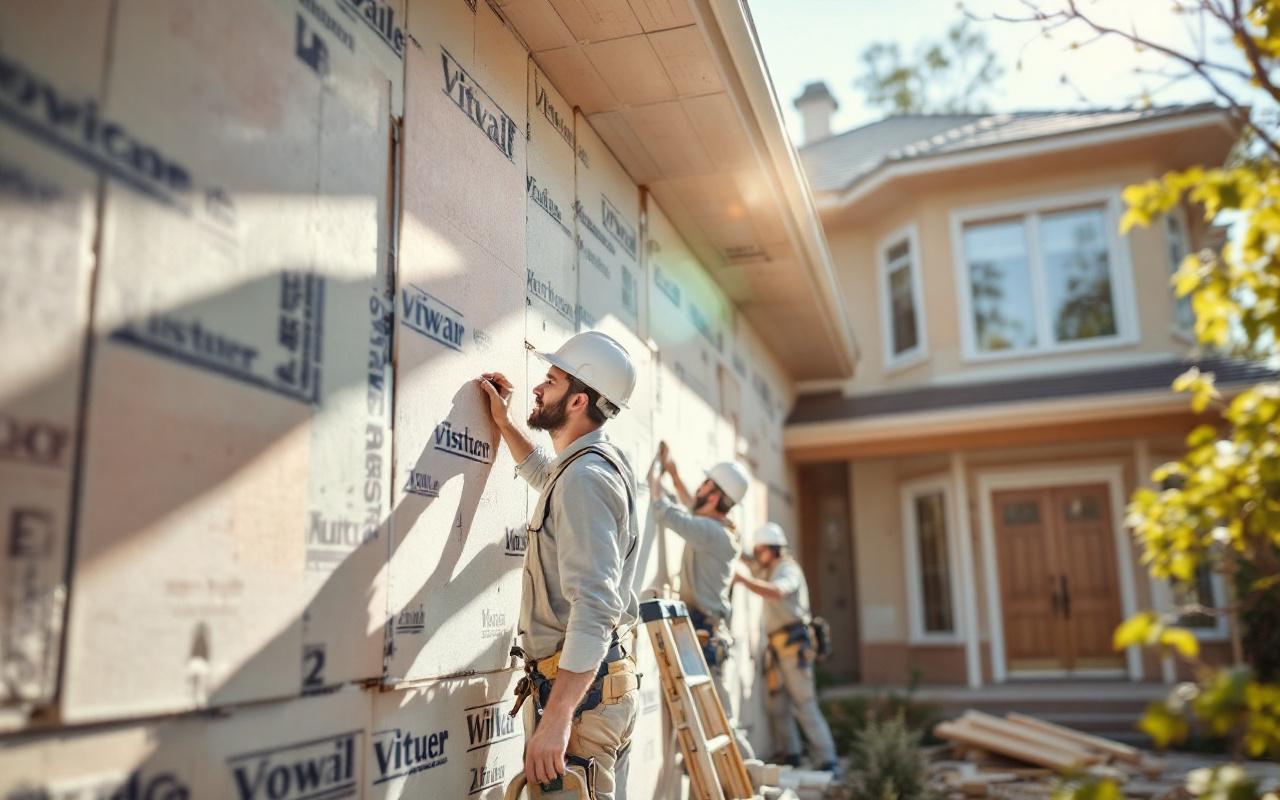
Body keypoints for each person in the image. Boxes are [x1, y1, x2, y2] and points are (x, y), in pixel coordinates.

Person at [478, 330, 641, 800]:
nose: (537, 388)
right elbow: (545, 477)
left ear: (577, 401)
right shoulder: (586, 465)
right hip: (595, 691)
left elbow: (594, 607)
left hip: (580, 704)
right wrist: (506, 424)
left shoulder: (585, 480)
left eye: (550, 380)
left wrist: (557, 720)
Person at [646, 442, 755, 758]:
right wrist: (674, 474)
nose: (699, 486)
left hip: (705, 635)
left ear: (715, 496)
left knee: (723, 726)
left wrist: (654, 480)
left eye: (705, 483)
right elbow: (692, 508)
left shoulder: (711, 532)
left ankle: (750, 779)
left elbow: (669, 515)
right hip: (703, 630)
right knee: (717, 725)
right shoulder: (718, 528)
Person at [733, 522, 837, 773]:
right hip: (778, 646)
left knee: (804, 703)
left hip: (794, 646)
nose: (758, 556)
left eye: (761, 551)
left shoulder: (787, 569)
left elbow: (777, 592)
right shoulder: (769, 568)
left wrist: (744, 581)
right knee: (777, 705)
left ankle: (828, 760)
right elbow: (748, 561)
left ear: (774, 549)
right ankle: (791, 754)